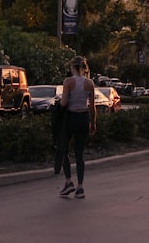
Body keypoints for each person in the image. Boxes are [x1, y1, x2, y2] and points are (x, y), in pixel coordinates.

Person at [55, 55, 96, 199]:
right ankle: (80, 187)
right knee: (80, 154)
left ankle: (68, 182)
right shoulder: (90, 83)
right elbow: (92, 106)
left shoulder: (68, 81)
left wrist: (57, 104)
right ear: (84, 68)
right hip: (84, 119)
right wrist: (93, 123)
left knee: (64, 149)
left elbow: (64, 103)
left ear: (72, 67)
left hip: (70, 119)